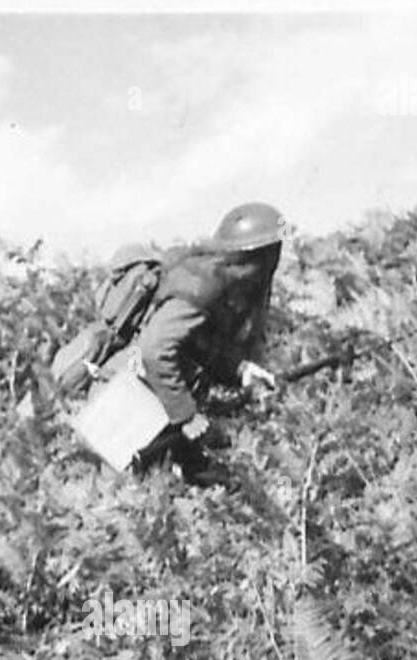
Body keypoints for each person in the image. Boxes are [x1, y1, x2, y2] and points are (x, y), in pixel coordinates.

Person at [108, 202, 285, 483]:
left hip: (154, 397)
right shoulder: (202, 285)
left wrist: (240, 370)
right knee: (124, 490)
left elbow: (197, 346)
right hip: (127, 401)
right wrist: (186, 416)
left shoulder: (216, 281)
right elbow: (155, 350)